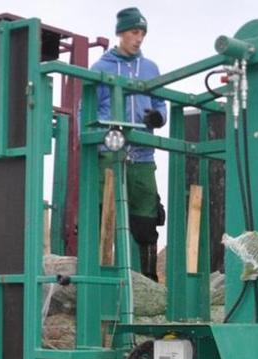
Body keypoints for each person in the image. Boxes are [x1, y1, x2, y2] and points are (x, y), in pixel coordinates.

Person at [93, 7, 166, 281]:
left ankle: (148, 281)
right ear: (121, 33)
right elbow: (85, 109)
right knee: (107, 214)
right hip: (111, 153)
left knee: (146, 216)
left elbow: (160, 103)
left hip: (143, 155)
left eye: (142, 33)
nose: (139, 38)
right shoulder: (101, 68)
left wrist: (158, 117)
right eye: (135, 32)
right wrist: (99, 142)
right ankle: (104, 278)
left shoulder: (150, 69)